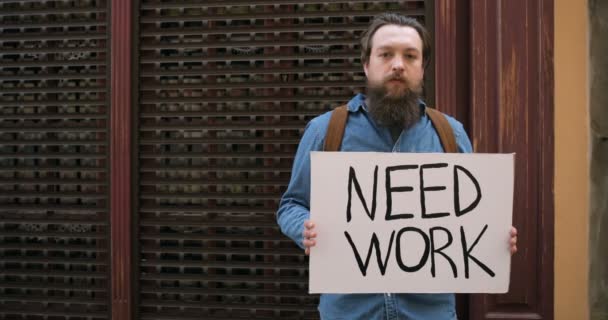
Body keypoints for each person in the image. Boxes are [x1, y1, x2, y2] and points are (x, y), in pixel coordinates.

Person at [276, 12, 518, 320]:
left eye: (410, 56)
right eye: (386, 54)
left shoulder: (450, 134)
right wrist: (304, 229)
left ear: (422, 68)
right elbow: (291, 205)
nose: (398, 65)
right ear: (367, 64)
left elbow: (472, 217)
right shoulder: (325, 130)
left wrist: (493, 238)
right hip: (349, 313)